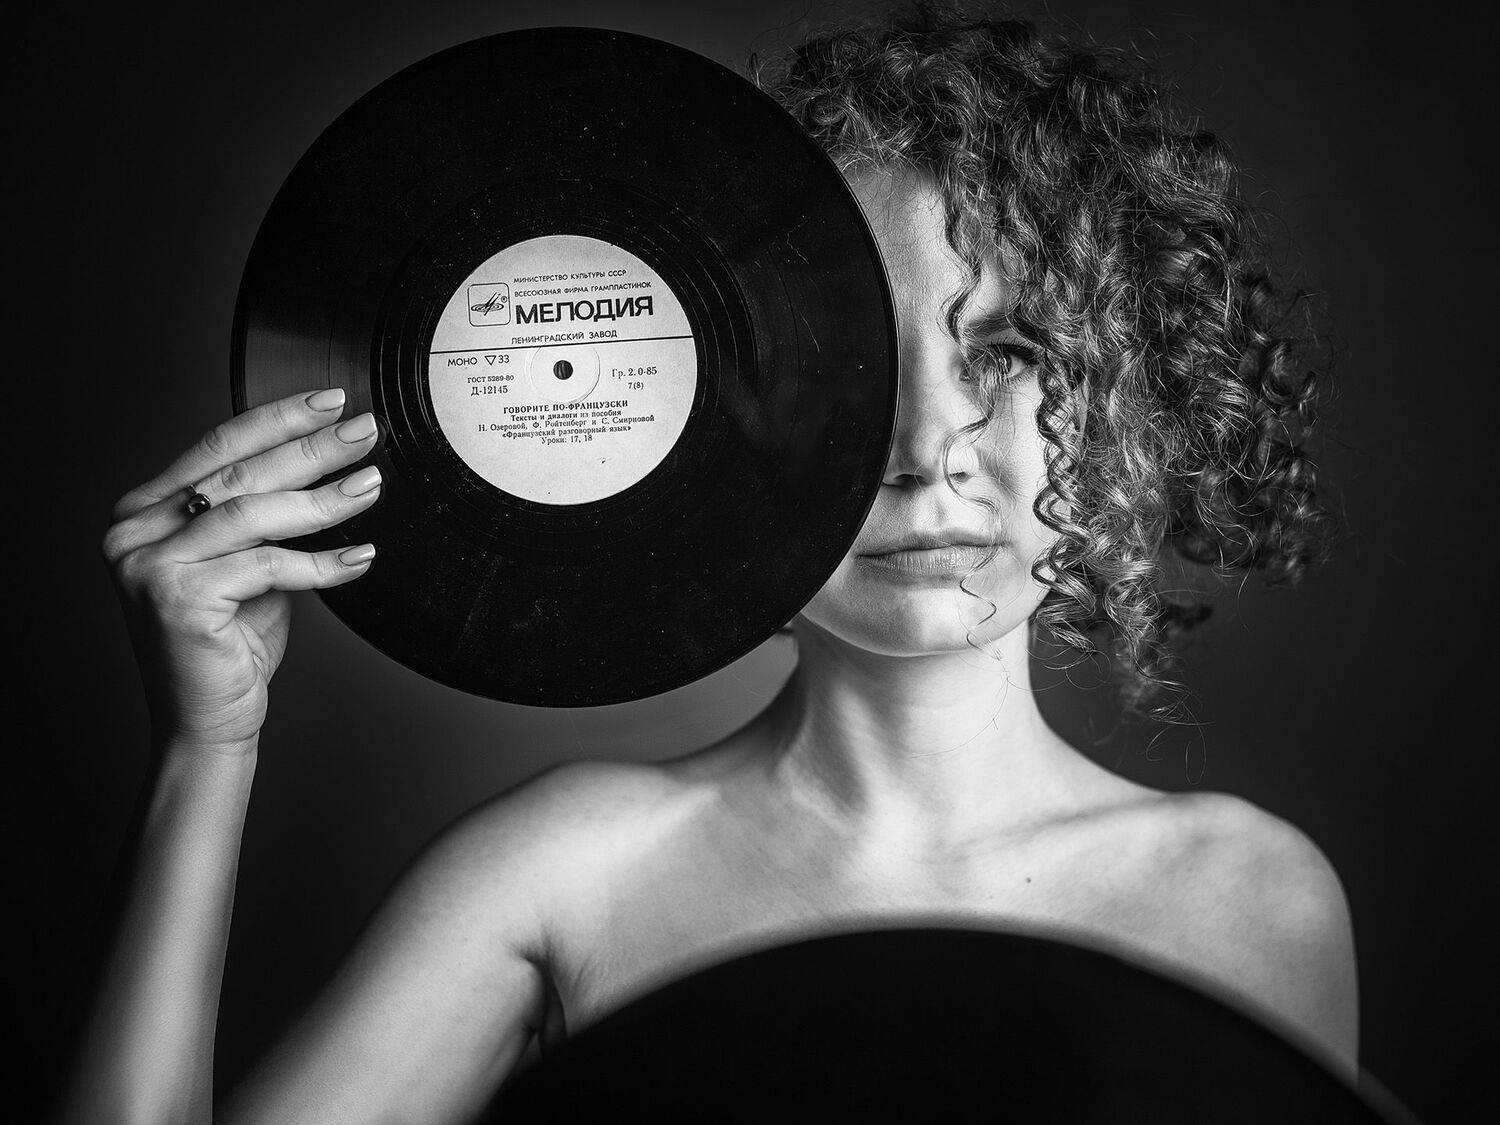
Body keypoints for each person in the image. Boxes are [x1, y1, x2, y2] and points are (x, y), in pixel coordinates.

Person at [58, 3, 1355, 1122]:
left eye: (1012, 355)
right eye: (852, 357)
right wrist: (205, 751)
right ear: (722, 405)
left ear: (1129, 391)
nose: (926, 449)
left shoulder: (1249, 900)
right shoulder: (562, 874)